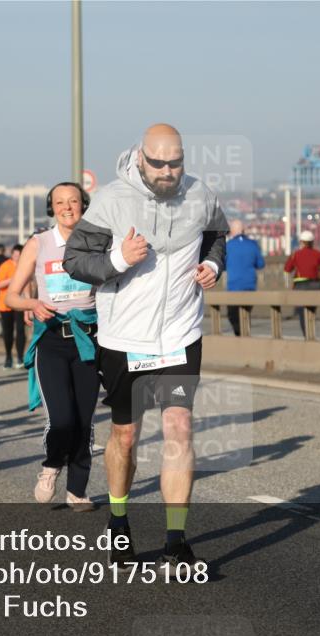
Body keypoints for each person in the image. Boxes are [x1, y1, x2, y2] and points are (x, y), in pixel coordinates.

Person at [63, 123, 228, 568]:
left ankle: (176, 543)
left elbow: (215, 236)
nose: (167, 171)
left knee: (179, 427)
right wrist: (120, 259)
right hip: (124, 338)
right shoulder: (113, 200)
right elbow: (74, 260)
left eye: (175, 163)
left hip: (180, 333)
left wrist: (212, 264)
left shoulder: (202, 194)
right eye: (158, 163)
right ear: (140, 157)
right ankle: (119, 521)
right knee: (126, 434)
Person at [6, 182, 99, 510]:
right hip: (52, 340)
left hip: (88, 340)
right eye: (60, 202)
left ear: (83, 204)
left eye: (73, 201)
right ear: (52, 207)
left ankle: (77, 490)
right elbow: (11, 295)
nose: (67, 207)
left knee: (84, 422)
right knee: (62, 419)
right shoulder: (40, 243)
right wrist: (32, 305)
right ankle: (51, 465)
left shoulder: (97, 240)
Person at [284, 230, 320, 337]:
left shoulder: (296, 254)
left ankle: (307, 335)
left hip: (301, 285)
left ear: (301, 242)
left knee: (302, 312)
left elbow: (287, 269)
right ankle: (312, 332)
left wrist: (288, 283)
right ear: (312, 242)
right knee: (312, 311)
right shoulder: (318, 254)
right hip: (316, 284)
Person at [224, 219, 265, 336]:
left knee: (233, 315)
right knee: (246, 314)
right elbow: (260, 264)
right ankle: (245, 336)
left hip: (234, 287)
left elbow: (223, 265)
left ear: (232, 231)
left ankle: (240, 336)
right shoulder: (253, 245)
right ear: (244, 230)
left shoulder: (228, 246)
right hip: (250, 285)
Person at [0, 244, 27, 369]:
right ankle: (8, 356)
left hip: (19, 303)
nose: (16, 257)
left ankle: (20, 357)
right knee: (8, 332)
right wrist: (13, 279)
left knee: (20, 331)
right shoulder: (5, 266)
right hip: (5, 304)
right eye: (15, 255)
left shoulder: (25, 266)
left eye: (19, 255)